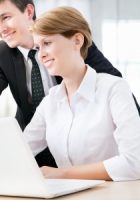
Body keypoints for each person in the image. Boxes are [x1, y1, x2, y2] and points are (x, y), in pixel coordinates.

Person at [0, 0, 138, 168]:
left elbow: (115, 85)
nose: (0, 28)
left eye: (6, 17)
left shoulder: (68, 36)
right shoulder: (2, 53)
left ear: (29, 11)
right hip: (36, 145)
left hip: (90, 147)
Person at [23, 6, 140, 181]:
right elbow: (20, 150)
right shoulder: (50, 101)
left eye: (47, 43)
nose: (42, 55)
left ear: (77, 40)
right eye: (38, 48)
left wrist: (60, 173)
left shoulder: (114, 88)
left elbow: (134, 163)